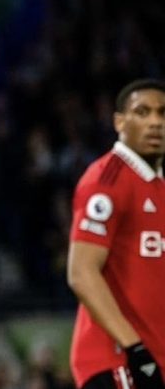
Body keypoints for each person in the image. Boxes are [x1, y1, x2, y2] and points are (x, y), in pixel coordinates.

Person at [67, 79, 165, 389]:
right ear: (119, 121)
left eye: (163, 114)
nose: (155, 122)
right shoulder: (107, 179)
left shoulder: (159, 187)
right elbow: (81, 272)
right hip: (119, 362)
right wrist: (135, 349)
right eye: (142, 112)